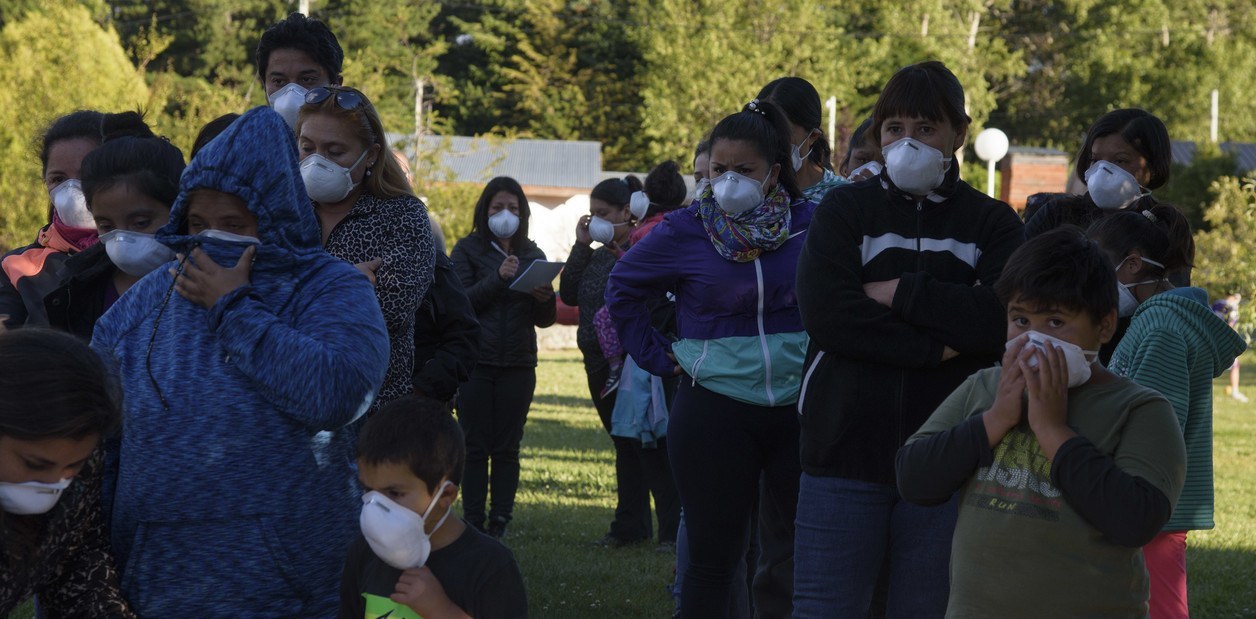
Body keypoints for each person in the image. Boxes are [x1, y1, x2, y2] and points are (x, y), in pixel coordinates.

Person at [90, 106, 391, 616]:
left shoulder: (330, 288)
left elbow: (340, 393)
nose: (213, 236)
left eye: (234, 222)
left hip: (295, 590)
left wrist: (234, 309)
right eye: (200, 221)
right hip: (159, 586)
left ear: (275, 214)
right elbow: (98, 454)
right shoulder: (137, 310)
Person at [792, 61, 1025, 617]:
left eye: (926, 128)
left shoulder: (994, 224)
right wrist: (934, 346)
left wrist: (898, 291)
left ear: (958, 135)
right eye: (894, 128)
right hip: (841, 451)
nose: (907, 143)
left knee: (927, 607)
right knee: (826, 607)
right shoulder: (845, 209)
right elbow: (828, 314)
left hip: (951, 459)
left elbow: (1000, 318)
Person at [896, 225, 1187, 617]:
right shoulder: (985, 387)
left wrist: (1053, 430)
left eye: (1054, 322)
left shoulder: (1139, 409)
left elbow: (1135, 520)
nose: (1032, 340)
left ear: (1104, 325)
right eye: (1020, 321)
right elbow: (914, 478)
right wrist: (996, 418)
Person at [607, 98, 813, 617]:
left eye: (745, 170)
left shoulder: (812, 224)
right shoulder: (686, 228)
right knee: (711, 560)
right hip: (713, 410)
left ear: (774, 172)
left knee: (798, 556)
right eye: (719, 169)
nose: (728, 181)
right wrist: (656, 355)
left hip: (799, 410)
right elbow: (622, 287)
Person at [1089, 206, 1246, 619]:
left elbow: (1155, 432)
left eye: (1098, 266)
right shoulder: (1158, 321)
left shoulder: (1162, 328)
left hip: (1148, 511)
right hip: (1146, 509)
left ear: (1134, 264)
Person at [297, 85, 435, 407]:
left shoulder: (403, 217)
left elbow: (386, 313)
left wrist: (298, 287)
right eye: (307, 148)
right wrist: (345, 281)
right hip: (293, 408)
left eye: (335, 152)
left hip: (372, 411)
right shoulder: (282, 212)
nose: (317, 162)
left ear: (370, 155)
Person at [562, 174, 677, 549]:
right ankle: (630, 525)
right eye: (591, 213)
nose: (596, 219)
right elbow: (568, 291)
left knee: (648, 447)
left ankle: (669, 530)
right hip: (597, 364)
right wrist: (581, 245)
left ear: (626, 213)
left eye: (603, 212)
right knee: (623, 444)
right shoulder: (596, 254)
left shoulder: (642, 247)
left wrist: (624, 258)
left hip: (632, 365)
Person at [339, 394, 527, 619]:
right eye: (368, 491)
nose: (375, 507)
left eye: (394, 493)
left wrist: (443, 611)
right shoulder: (364, 553)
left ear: (445, 495)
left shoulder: (491, 568)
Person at [0, 328, 134, 617]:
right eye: (35, 465)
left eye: (73, 466)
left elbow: (77, 563)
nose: (54, 484)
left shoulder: (80, 464)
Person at [450, 177, 556, 538]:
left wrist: (545, 298)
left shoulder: (534, 254)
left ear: (523, 213)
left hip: (518, 363)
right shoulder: (466, 250)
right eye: (498, 208)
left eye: (512, 208)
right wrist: (498, 277)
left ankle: (501, 520)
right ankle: (474, 519)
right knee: (475, 445)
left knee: (508, 447)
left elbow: (545, 320)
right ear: (485, 211)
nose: (505, 215)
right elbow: (459, 303)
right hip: (475, 363)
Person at [43, 112, 185, 340]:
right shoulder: (78, 289)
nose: (123, 238)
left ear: (178, 208)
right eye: (107, 226)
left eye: (140, 223)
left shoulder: (204, 283)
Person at [0, 111, 105, 329]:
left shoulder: (137, 255)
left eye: (87, 175)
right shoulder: (16, 266)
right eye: (58, 179)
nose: (72, 189)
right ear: (45, 181)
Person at [1024, 108, 1171, 239]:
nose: (1103, 171)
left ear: (1153, 168)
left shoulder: (1165, 227)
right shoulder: (1056, 214)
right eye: (1095, 160)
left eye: (1120, 161)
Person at [756, 77, 846, 201]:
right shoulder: (750, 192)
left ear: (813, 136)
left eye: (781, 133)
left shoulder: (841, 196)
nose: (770, 141)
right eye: (763, 131)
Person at [255, 12, 343, 129]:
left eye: (307, 79)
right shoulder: (241, 144)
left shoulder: (359, 142)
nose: (291, 97)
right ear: (264, 85)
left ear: (336, 85)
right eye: (279, 81)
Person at [1213, 293, 1246, 402]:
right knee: (1235, 365)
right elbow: (1231, 326)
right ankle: (1235, 392)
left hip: (1213, 337)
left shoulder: (1217, 303)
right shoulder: (1232, 307)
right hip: (1225, 339)